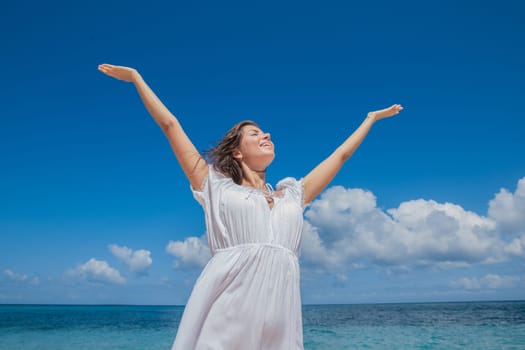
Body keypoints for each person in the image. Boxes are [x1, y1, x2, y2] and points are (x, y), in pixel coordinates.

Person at [97, 63, 403, 349]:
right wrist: (137, 78)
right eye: (255, 133)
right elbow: (170, 124)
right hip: (227, 308)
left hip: (281, 316)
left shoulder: (292, 194)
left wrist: (370, 119)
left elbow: (340, 156)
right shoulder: (214, 185)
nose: (267, 135)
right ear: (238, 153)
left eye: (265, 132)